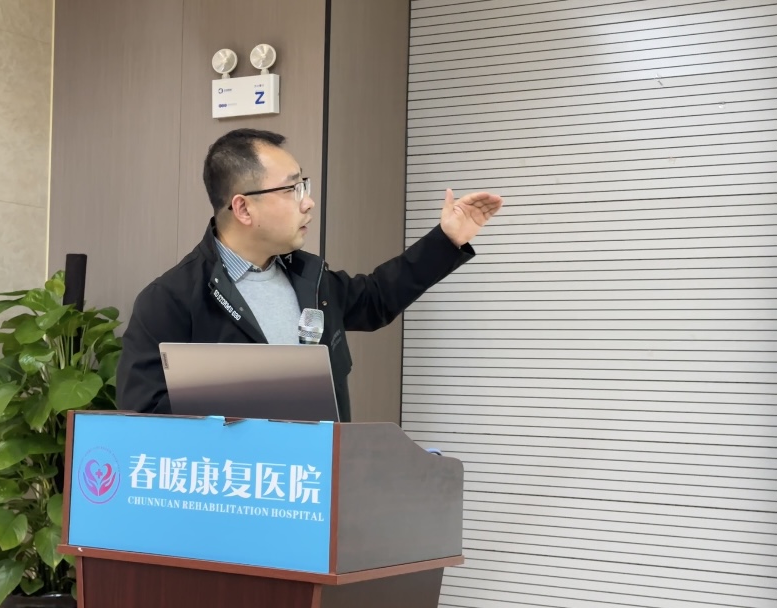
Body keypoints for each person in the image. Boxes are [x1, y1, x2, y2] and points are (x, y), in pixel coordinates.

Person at [116, 128, 503, 422]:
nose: (308, 201)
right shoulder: (171, 299)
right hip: (236, 490)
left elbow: (376, 298)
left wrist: (446, 240)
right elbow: (142, 416)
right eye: (292, 189)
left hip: (316, 486)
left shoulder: (309, 277)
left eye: (305, 185)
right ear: (243, 209)